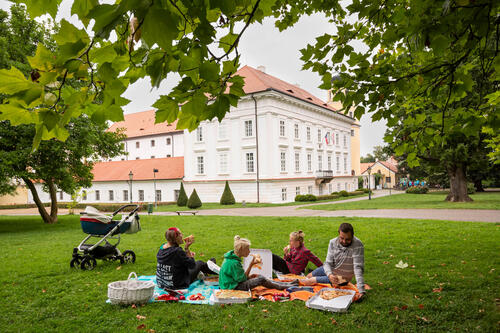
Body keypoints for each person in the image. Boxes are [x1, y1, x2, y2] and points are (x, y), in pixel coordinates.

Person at [303, 223, 365, 297]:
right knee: (308, 276)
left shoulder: (358, 245)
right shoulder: (332, 242)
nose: (344, 241)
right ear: (339, 234)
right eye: (342, 238)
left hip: (341, 278)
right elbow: (327, 263)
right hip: (330, 270)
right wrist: (329, 274)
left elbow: (358, 268)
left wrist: (361, 291)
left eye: (347, 239)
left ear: (352, 236)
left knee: (310, 281)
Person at [219, 235, 299, 291]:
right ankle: (281, 287)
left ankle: (285, 284)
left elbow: (240, 277)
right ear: (241, 249)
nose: (249, 251)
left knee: (259, 276)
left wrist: (250, 276)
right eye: (247, 249)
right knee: (260, 279)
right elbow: (242, 279)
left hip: (233, 283)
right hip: (232, 287)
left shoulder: (232, 258)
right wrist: (251, 265)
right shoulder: (233, 263)